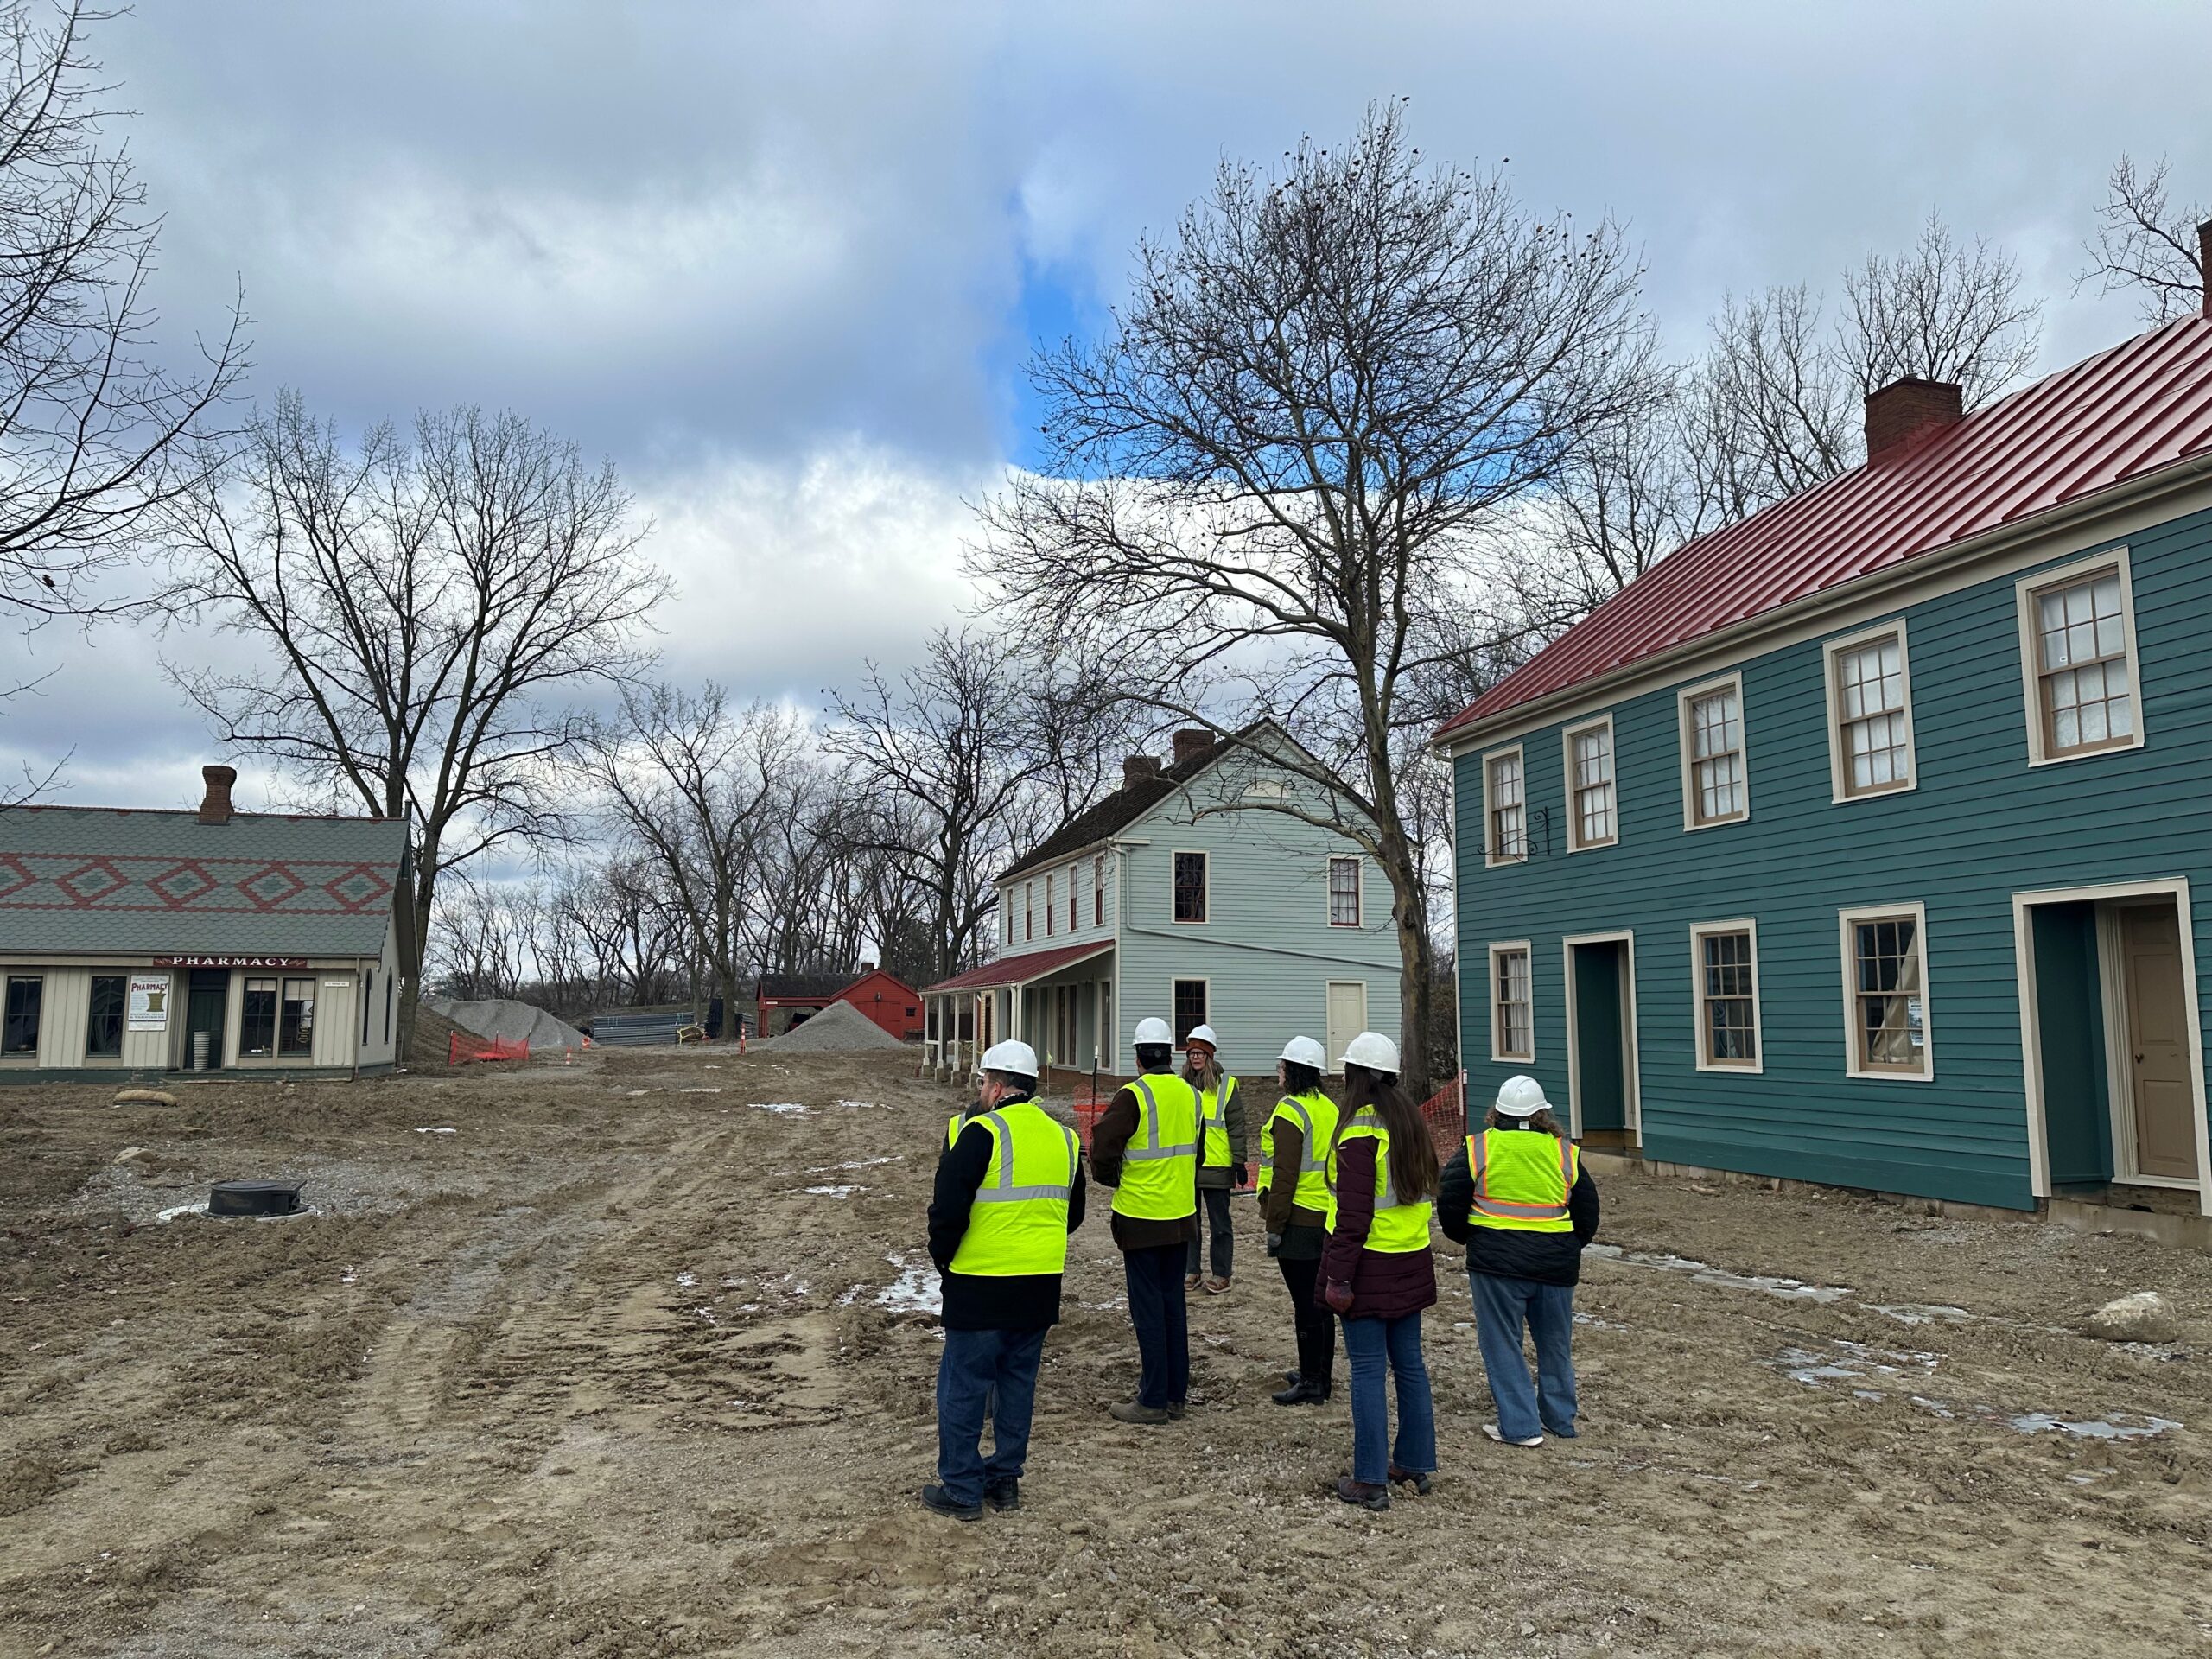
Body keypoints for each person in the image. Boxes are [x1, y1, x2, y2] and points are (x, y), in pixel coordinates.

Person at [921, 1039, 1087, 1520]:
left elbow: (946, 1209)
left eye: (982, 1082)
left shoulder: (981, 1132)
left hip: (980, 1283)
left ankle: (961, 1489)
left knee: (964, 1386)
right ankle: (1005, 1481)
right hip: (1039, 1285)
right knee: (1017, 1384)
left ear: (994, 1087)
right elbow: (1071, 1215)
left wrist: (945, 1261)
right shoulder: (1066, 1139)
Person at [1437, 1074, 1600, 1449]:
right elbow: (1588, 1212)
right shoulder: (1564, 1152)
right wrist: (1570, 1245)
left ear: (1497, 1112)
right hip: (1556, 1265)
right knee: (1555, 1344)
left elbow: (1450, 1201)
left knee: (1502, 1343)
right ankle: (1559, 1419)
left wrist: (1471, 1238)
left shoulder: (1479, 1148)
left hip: (1495, 1265)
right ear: (1543, 1114)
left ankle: (1521, 1426)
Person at [1318, 1031, 1439, 1511]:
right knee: (1410, 1365)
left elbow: (1353, 1215)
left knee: (1367, 1369)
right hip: (1411, 1259)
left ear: (1356, 1075)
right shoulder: (1409, 1122)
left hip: (1369, 1265)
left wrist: (1338, 1277)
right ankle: (1413, 1462)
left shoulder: (1360, 1130)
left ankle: (1369, 1479)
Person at [1087, 1015, 1199, 1424]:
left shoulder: (1133, 1096)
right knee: (1173, 1304)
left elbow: (1102, 1149)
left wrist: (1111, 1179)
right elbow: (1196, 1152)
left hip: (1141, 1218)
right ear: (1169, 1054)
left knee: (1149, 1309)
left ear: (1137, 1057)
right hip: (1181, 1217)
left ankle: (1152, 1399)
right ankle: (1175, 1394)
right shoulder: (1191, 1095)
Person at [1255, 1035, 1340, 1406]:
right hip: (1326, 1217)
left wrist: (1275, 1226)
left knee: (1306, 1304)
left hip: (1299, 1222)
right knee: (1321, 1303)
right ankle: (1320, 1373)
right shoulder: (1330, 1108)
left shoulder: (1290, 1111)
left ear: (1292, 1072)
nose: (1278, 1072)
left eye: (1282, 1066)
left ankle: (1311, 1381)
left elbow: (1284, 1174)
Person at [1183, 1024, 1248, 1294]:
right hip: (1188, 1166)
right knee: (1189, 1223)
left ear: (1209, 1056)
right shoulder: (1182, 1085)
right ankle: (1192, 1271)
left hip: (1218, 1165)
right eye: (1192, 1053)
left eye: (1200, 1052)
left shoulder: (1226, 1086)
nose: (1195, 1057)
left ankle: (1222, 1273)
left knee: (1220, 1224)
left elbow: (1236, 1124)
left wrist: (1239, 1161)